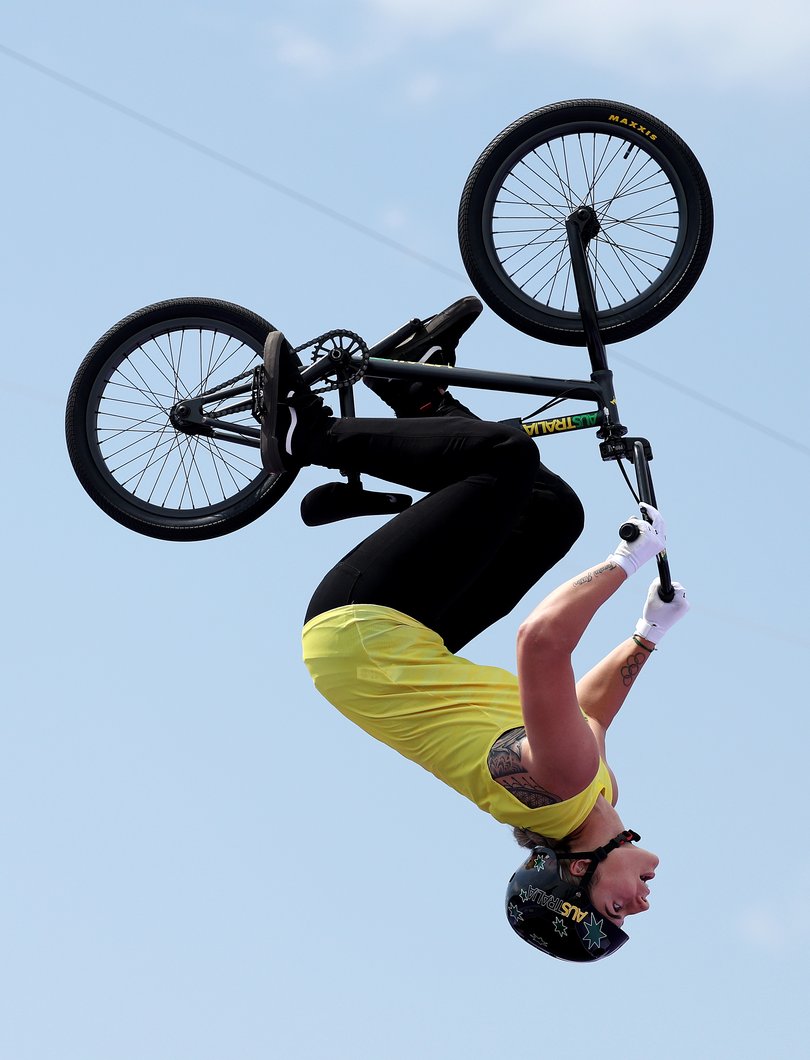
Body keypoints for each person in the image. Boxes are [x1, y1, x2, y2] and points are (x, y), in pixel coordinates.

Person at [259, 299, 689, 962]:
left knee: (506, 460)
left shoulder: (565, 785)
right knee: (549, 513)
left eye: (614, 908)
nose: (640, 906)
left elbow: (541, 642)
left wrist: (625, 562)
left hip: (362, 635)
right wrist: (646, 636)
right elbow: (590, 713)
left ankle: (304, 437)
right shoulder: (592, 788)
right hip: (402, 646)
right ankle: (415, 393)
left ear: (575, 873)